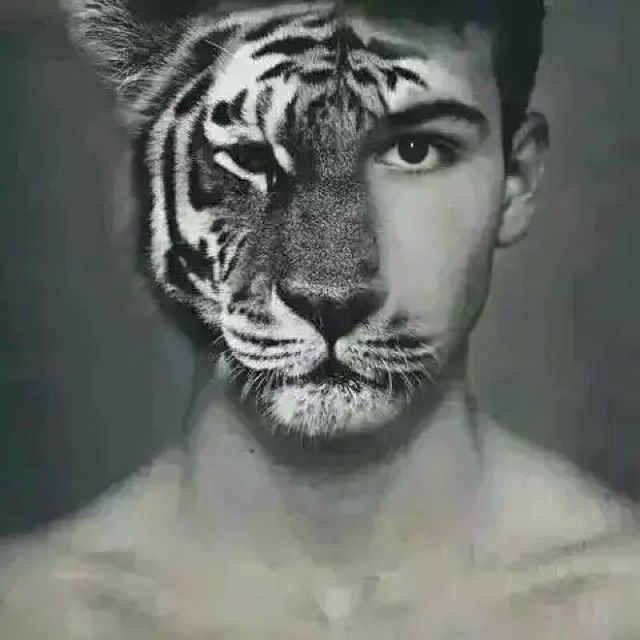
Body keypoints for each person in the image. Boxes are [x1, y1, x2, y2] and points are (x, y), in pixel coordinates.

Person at [1, 0, 639, 637]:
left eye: (416, 149)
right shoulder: (31, 614)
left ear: (517, 181)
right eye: (248, 155)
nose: (329, 281)